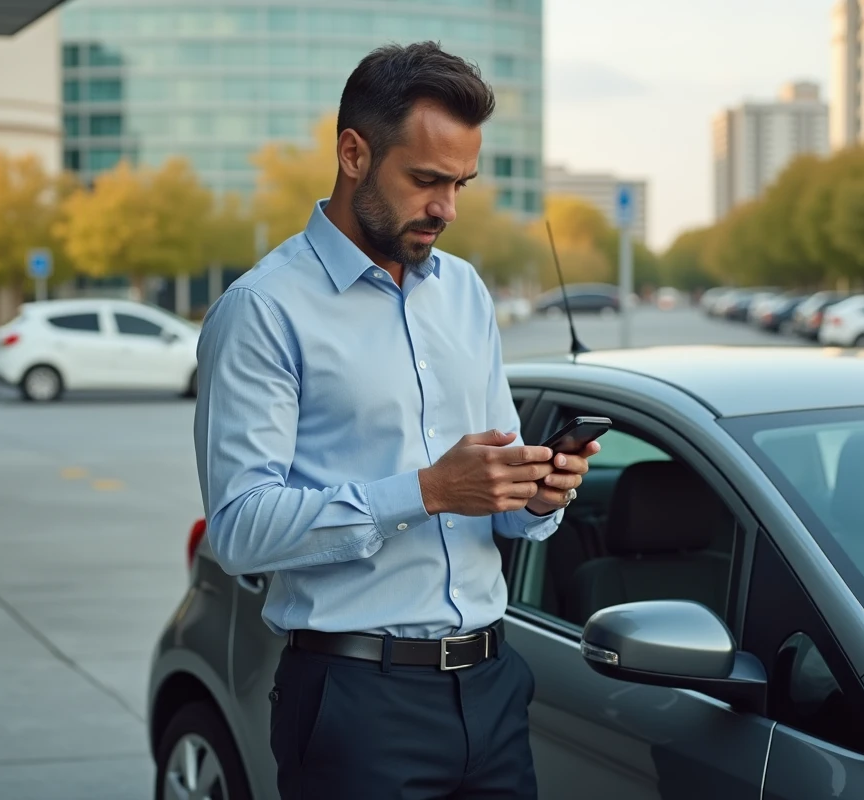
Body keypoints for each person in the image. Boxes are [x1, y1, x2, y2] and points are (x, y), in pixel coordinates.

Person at [193, 41, 599, 799]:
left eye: (460, 184)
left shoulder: (466, 293)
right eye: (426, 180)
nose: (446, 207)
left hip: (494, 689)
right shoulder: (263, 311)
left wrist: (537, 493)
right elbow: (241, 530)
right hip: (355, 704)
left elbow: (493, 499)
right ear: (353, 153)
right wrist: (428, 490)